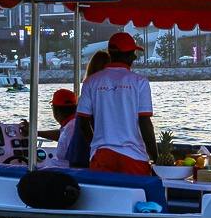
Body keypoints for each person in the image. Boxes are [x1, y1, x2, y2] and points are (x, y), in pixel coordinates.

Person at [60, 31, 159, 173]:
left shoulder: (90, 82)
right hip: (134, 157)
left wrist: (95, 144)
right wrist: (156, 157)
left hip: (101, 156)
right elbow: (145, 123)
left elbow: (82, 122)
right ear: (128, 55)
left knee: (104, 194)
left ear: (110, 54)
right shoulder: (140, 82)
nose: (135, 56)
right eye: (133, 53)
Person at [40, 87, 78, 168]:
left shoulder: (70, 128)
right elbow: (61, 135)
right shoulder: (73, 125)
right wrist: (36, 133)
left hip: (63, 174)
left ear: (56, 110)